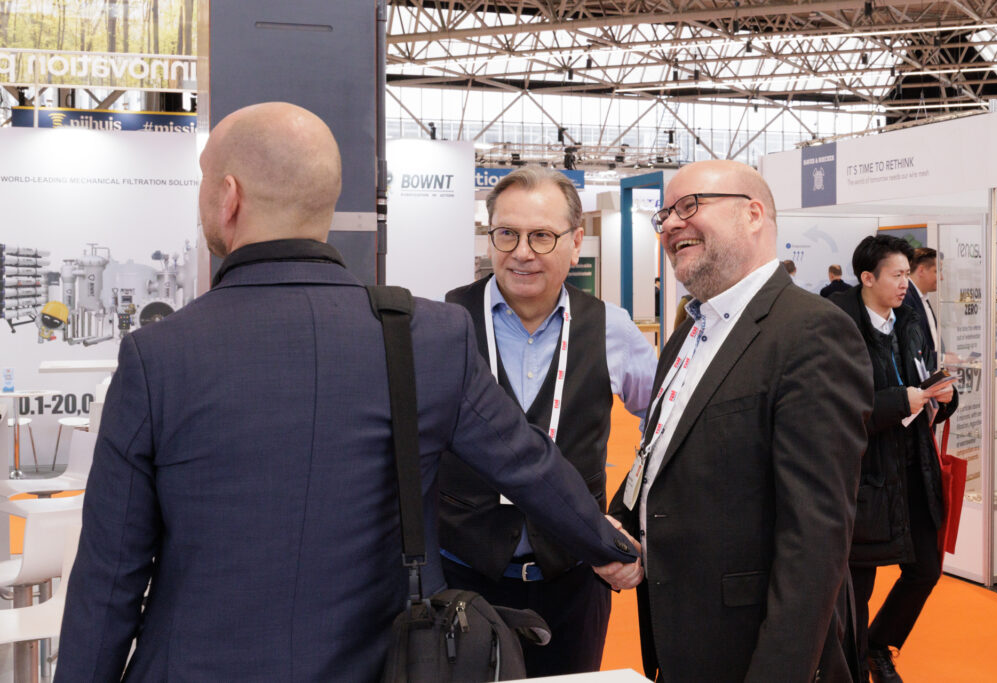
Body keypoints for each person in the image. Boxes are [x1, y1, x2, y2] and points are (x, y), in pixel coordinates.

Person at [55, 103, 640, 683]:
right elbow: (528, 462)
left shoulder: (157, 357)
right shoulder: (425, 335)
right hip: (380, 664)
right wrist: (609, 546)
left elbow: (110, 579)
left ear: (228, 196)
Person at [603, 159, 874, 683]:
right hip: (681, 642)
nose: (672, 224)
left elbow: (815, 539)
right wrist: (625, 527)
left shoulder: (812, 333)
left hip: (752, 654)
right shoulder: (686, 334)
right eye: (665, 215)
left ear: (753, 214)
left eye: (690, 206)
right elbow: (661, 457)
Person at [439, 165, 658, 676]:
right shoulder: (444, 323)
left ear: (576, 240)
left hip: (574, 581)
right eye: (507, 233)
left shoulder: (612, 327)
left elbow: (669, 432)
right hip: (463, 580)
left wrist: (628, 516)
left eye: (542, 236)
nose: (521, 251)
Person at [829, 236, 958, 683]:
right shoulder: (837, 326)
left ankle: (876, 646)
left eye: (908, 274)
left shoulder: (910, 321)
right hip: (863, 475)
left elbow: (925, 377)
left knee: (925, 569)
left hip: (912, 467)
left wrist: (944, 396)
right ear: (868, 278)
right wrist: (899, 402)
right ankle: (849, 662)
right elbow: (837, 408)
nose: (907, 284)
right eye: (897, 275)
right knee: (854, 589)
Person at [904, 247, 939, 371]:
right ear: (921, 270)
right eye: (937, 271)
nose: (941, 278)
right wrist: (942, 358)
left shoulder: (923, 298)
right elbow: (911, 347)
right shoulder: (906, 297)